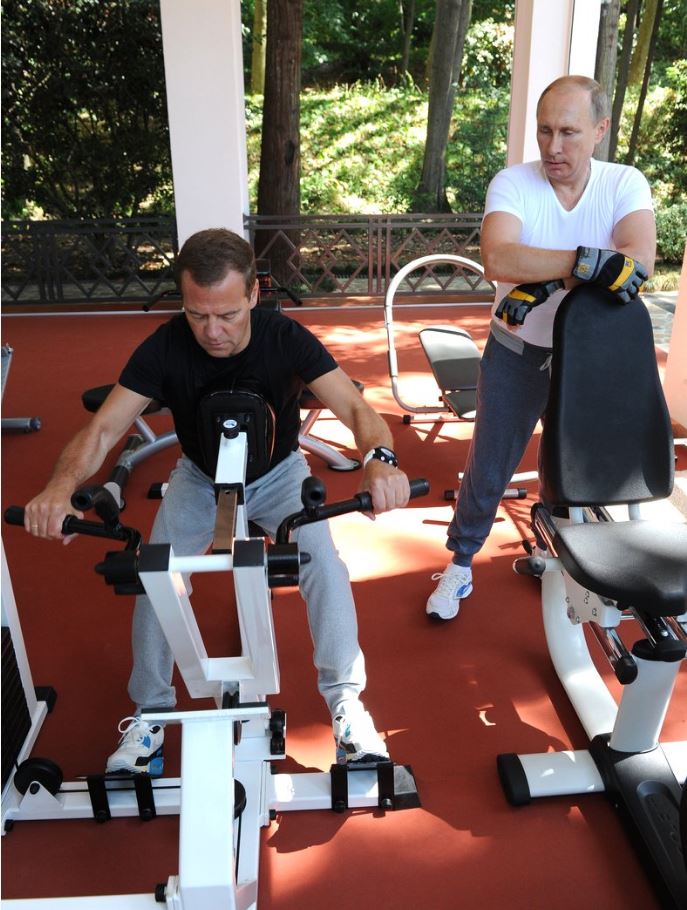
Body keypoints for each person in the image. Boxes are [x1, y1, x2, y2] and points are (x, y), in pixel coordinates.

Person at [25, 228, 411, 772]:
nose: (213, 332)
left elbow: (354, 409)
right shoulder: (165, 344)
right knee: (157, 570)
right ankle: (151, 715)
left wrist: (380, 459)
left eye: (227, 314)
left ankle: (346, 702)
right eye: (197, 315)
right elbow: (104, 427)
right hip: (198, 475)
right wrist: (59, 488)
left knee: (322, 562)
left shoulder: (285, 337)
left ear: (254, 293)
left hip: (280, 471)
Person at [426, 75, 655, 621]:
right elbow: (501, 260)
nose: (554, 147)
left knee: (571, 465)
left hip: (591, 357)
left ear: (599, 130)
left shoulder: (625, 183)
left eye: (570, 133)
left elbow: (638, 263)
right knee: (491, 463)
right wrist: (591, 263)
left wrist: (548, 278)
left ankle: (559, 552)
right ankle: (459, 562)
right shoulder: (513, 182)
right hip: (518, 349)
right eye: (545, 130)